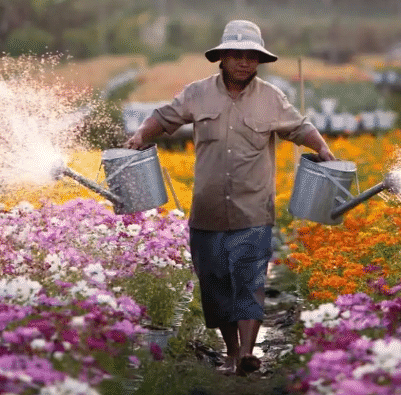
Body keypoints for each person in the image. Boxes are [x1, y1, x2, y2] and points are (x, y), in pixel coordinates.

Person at [126, 19, 335, 375]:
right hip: (206, 211)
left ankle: (248, 353)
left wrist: (324, 149)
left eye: (251, 57)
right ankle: (232, 349)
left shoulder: (271, 98)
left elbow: (300, 128)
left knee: (250, 280)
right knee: (215, 283)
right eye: (236, 55)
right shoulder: (197, 93)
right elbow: (164, 118)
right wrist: (139, 138)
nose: (244, 62)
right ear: (221, 58)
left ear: (259, 60)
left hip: (253, 208)